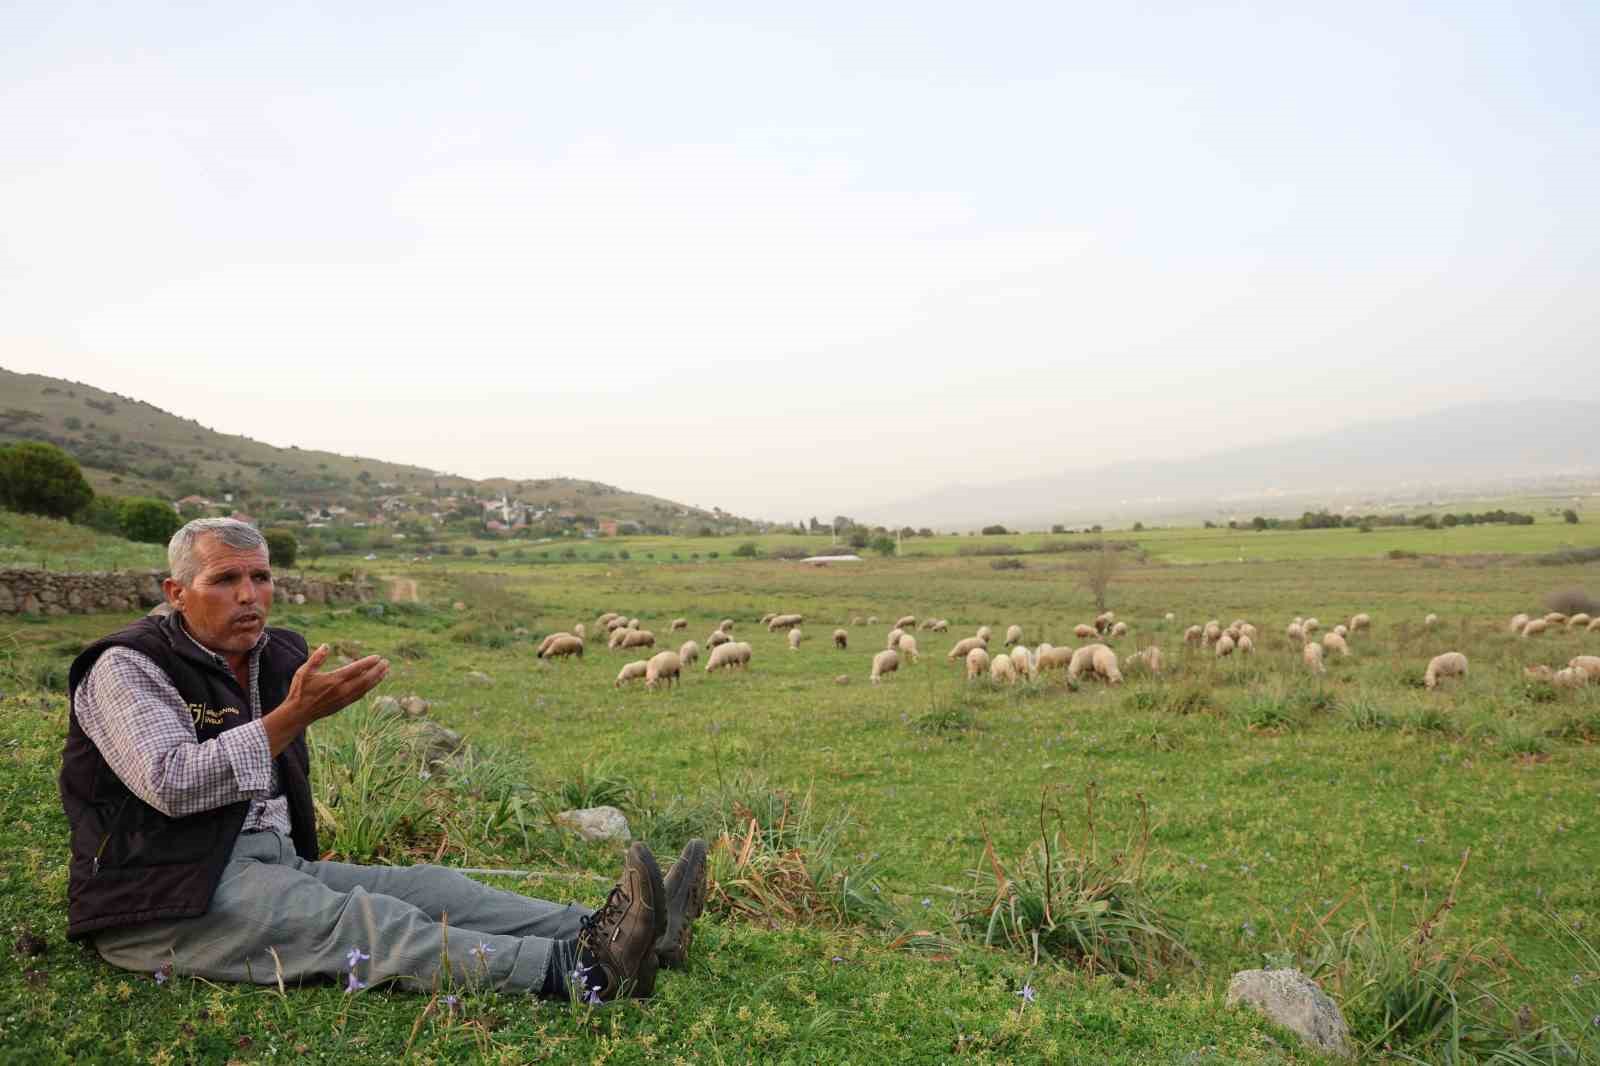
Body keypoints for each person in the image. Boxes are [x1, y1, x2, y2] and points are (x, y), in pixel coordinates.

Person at [60, 517, 706, 1001]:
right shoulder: (128, 668)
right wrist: (293, 718)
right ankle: (581, 973)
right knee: (368, 920)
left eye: (260, 576)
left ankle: (627, 930)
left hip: (259, 863)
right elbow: (172, 783)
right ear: (176, 591)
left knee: (433, 888)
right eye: (224, 580)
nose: (249, 595)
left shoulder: (270, 656)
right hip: (157, 896)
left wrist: (297, 856)